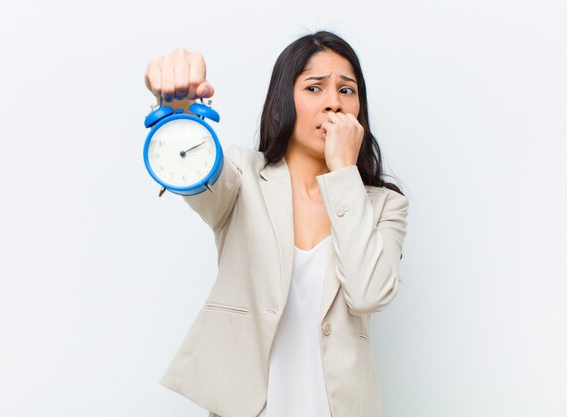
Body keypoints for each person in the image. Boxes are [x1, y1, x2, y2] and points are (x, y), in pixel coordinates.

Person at [144, 30, 410, 417]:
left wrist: (343, 175)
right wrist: (177, 112)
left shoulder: (386, 205)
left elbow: (368, 294)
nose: (333, 103)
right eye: (315, 88)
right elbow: (194, 172)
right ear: (284, 102)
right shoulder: (242, 174)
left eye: (347, 91)